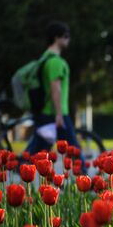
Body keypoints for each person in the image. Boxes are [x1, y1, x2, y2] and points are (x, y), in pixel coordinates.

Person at [25, 21, 86, 169]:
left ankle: (21, 166)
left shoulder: (44, 59)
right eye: (66, 36)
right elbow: (55, 88)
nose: (68, 39)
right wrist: (59, 113)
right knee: (73, 148)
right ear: (57, 38)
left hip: (45, 113)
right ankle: (86, 182)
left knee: (36, 150)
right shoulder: (55, 62)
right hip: (56, 114)